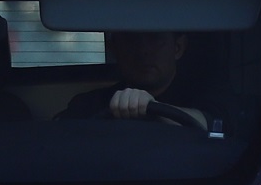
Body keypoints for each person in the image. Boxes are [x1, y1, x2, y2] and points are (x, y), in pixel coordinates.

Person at [61, 30, 204, 128]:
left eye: (155, 39)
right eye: (131, 39)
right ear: (114, 49)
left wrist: (154, 109)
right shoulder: (87, 106)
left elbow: (210, 122)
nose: (143, 50)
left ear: (178, 48)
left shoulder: (206, 98)